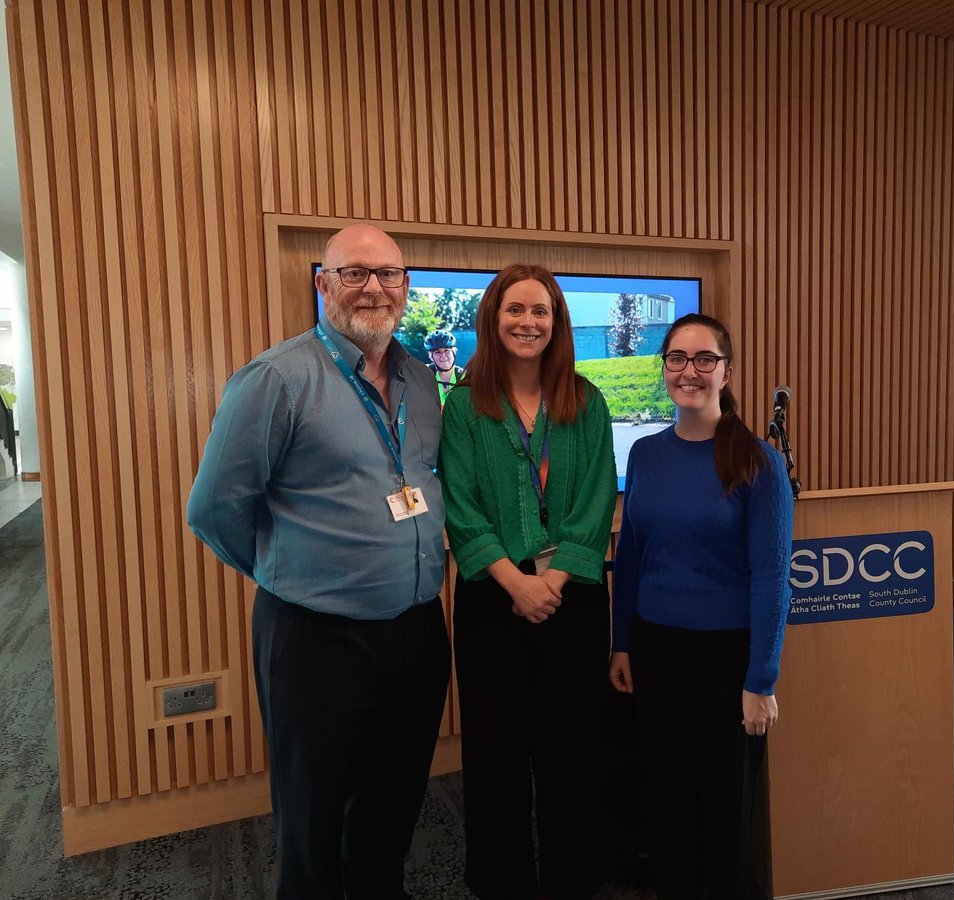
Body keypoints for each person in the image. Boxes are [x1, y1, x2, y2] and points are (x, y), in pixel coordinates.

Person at [187, 223, 450, 899]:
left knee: (393, 813)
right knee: (311, 819)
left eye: (388, 274)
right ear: (323, 283)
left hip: (417, 631)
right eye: (354, 272)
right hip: (315, 640)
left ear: (406, 287)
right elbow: (214, 508)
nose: (373, 287)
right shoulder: (276, 378)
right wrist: (293, 573)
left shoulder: (422, 381)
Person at [438, 263, 617, 900]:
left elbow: (598, 500)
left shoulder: (587, 399)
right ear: (493, 319)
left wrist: (556, 577)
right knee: (496, 755)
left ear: (557, 323)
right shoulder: (462, 407)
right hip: (493, 601)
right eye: (515, 310)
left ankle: (574, 878)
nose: (528, 322)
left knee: (573, 752)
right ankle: (502, 881)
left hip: (574, 601)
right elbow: (458, 505)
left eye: (540, 312)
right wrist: (516, 582)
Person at [608, 312, 793, 900]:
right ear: (663, 369)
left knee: (724, 800)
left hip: (727, 656)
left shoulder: (759, 461)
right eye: (677, 359)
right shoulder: (645, 455)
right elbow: (632, 554)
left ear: (726, 371)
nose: (689, 370)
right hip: (656, 646)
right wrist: (622, 641)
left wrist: (761, 679)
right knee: (665, 791)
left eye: (704, 359)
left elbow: (772, 575)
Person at [425, 329, 465, 407]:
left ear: (454, 352)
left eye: (447, 351)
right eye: (437, 352)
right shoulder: (424, 373)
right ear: (431, 356)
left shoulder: (464, 377)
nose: (443, 356)